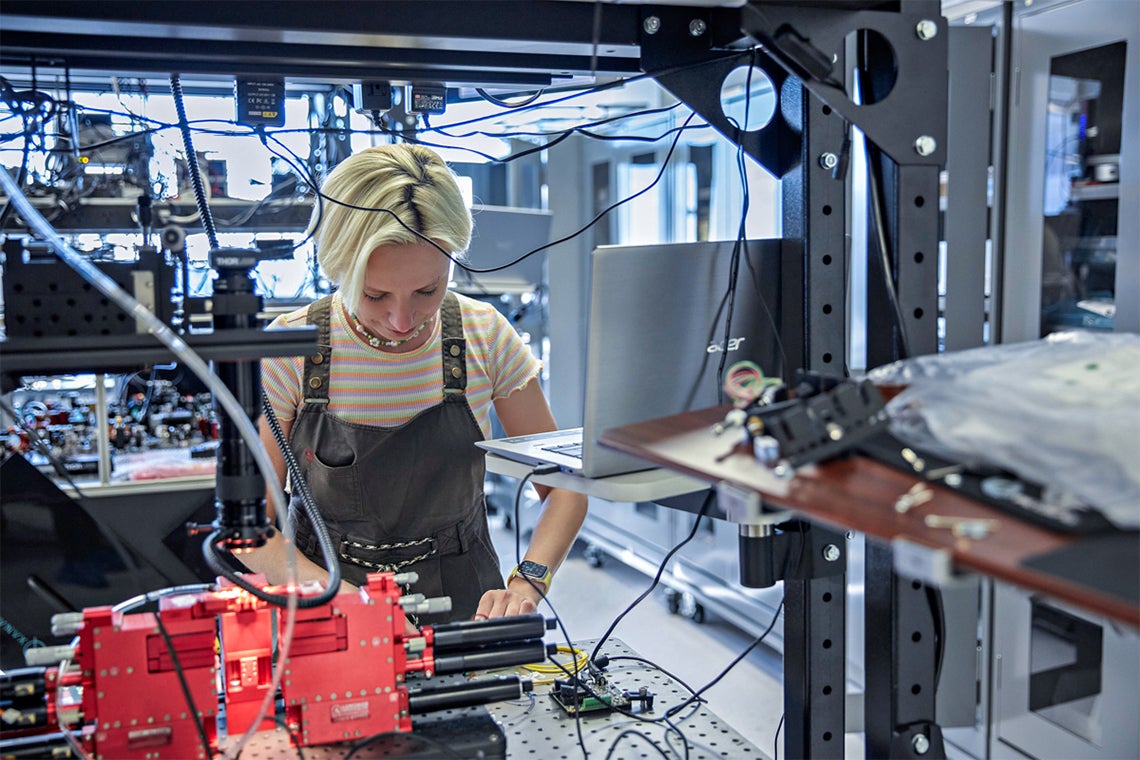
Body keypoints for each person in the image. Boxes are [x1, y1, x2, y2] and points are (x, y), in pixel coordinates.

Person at [241, 143, 587, 625]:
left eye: (427, 290)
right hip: (327, 603)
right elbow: (248, 529)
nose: (401, 320)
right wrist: (345, 603)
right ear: (339, 268)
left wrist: (527, 580)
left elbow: (564, 487)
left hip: (464, 598)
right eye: (375, 294)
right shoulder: (292, 350)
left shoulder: (483, 336)